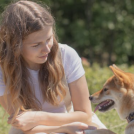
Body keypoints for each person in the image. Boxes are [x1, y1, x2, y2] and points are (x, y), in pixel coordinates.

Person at [0, 0, 105, 134]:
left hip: (70, 119)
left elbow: (85, 114)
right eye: (36, 45)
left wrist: (39, 117)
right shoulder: (3, 69)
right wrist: (61, 129)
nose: (46, 49)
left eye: (49, 39)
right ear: (15, 45)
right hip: (33, 131)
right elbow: (23, 124)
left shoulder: (66, 55)